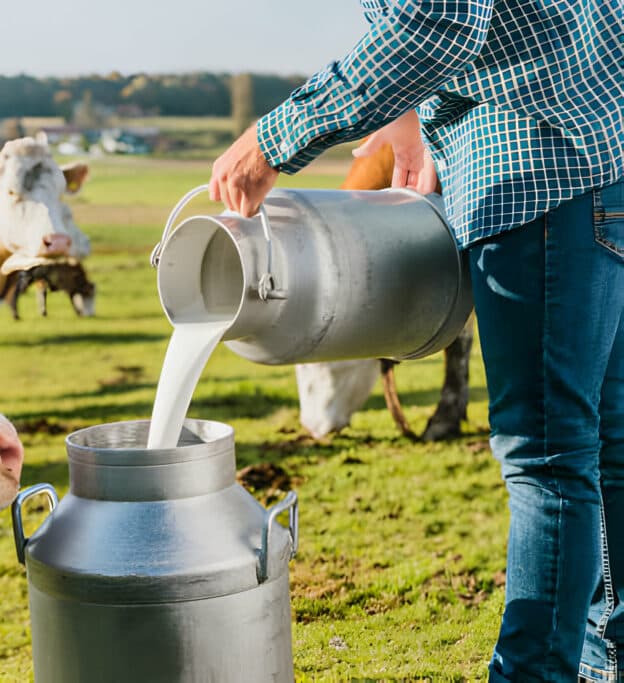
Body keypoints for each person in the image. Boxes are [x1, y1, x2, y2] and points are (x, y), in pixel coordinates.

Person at [210, 2, 624, 680]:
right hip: (601, 161)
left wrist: (273, 138)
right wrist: (409, 123)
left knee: (548, 456)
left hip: (534, 168)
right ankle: (606, 662)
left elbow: (439, 25)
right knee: (604, 444)